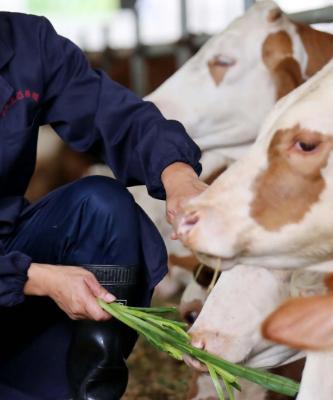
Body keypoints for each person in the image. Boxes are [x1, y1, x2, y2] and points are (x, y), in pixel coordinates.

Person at [0, 11, 206, 400]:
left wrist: (176, 172)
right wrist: (38, 278)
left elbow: (112, 113)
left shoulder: (25, 41)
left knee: (101, 205)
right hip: (13, 276)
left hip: (10, 262)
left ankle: (90, 391)